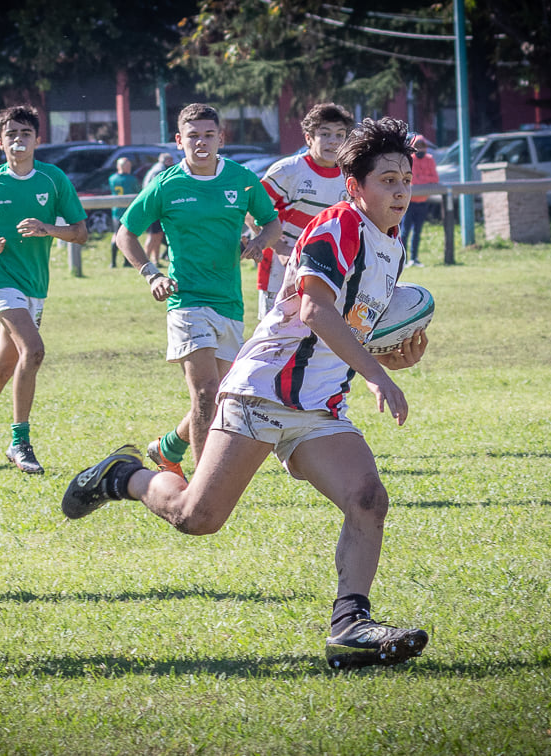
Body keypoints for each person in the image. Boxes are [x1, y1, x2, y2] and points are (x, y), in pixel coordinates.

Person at [63, 116, 430, 670]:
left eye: (406, 179)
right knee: (197, 517)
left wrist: (388, 354)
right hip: (263, 388)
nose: (400, 191)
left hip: (321, 403)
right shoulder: (337, 227)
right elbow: (313, 310)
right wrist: (378, 375)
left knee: (367, 499)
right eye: (387, 180)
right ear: (355, 186)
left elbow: (351, 326)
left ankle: (349, 626)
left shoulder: (391, 244)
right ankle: (123, 476)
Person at [113, 103, 281, 479]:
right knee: (206, 393)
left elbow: (272, 223)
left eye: (208, 135)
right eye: (193, 136)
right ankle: (206, 484)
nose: (201, 143)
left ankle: (167, 448)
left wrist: (260, 242)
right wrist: (151, 273)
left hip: (229, 303)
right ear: (179, 141)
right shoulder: (165, 184)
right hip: (186, 300)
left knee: (223, 398)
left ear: (221, 138)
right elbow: (125, 233)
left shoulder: (242, 179)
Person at [0, 105, 88, 475]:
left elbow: (80, 232)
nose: (18, 140)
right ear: (0, 142)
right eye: (11, 134)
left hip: (35, 285)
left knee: (3, 368)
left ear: (38, 140)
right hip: (0, 279)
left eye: (25, 133)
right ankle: (19, 441)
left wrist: (47, 228)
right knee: (34, 350)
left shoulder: (53, 180)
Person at [255, 103, 354, 318]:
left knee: (320, 336)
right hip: (280, 268)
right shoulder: (289, 169)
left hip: (327, 267)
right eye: (325, 134)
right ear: (308, 138)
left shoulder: (350, 176)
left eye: (340, 135)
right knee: (275, 340)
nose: (333, 141)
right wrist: (279, 248)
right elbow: (251, 211)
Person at [400, 134, 439, 268]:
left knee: (418, 231)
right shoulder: (410, 159)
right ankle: (402, 259)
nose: (420, 150)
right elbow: (413, 180)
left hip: (423, 200)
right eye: (417, 147)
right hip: (409, 202)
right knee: (404, 232)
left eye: (422, 147)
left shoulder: (430, 159)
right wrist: (424, 179)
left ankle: (414, 258)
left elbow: (435, 179)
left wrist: (421, 179)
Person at [141, 152, 175, 265]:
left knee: (158, 234)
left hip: (158, 207)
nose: (173, 163)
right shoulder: (159, 171)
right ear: (165, 161)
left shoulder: (158, 169)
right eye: (170, 160)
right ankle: (145, 261)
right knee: (152, 235)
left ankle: (155, 260)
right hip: (153, 207)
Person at [108, 157, 138, 268]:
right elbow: (137, 191)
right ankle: (126, 261)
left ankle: (113, 262)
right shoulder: (131, 179)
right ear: (123, 167)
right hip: (127, 211)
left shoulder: (112, 178)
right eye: (128, 166)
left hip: (115, 211)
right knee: (128, 235)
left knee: (115, 235)